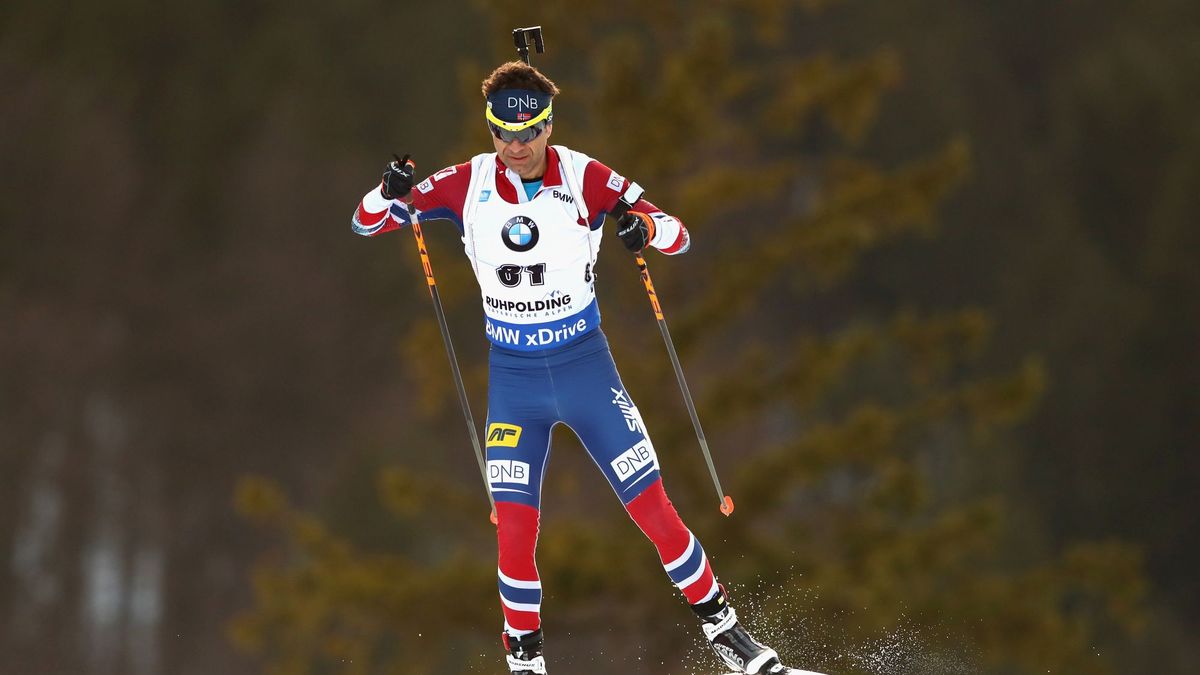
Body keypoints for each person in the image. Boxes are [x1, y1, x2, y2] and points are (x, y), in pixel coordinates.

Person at [352, 61, 820, 675]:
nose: (514, 148)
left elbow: (679, 234)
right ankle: (525, 664)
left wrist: (643, 228)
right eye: (502, 134)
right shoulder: (467, 183)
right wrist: (387, 191)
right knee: (515, 533)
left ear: (548, 127)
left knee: (654, 509)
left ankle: (730, 639)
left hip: (584, 369)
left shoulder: (585, 176)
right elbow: (366, 221)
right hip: (516, 382)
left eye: (527, 134)